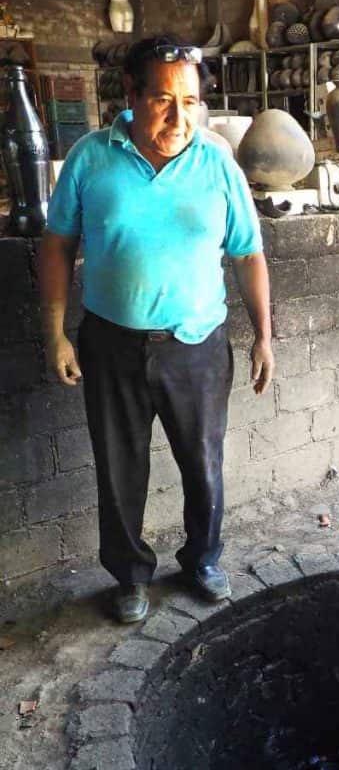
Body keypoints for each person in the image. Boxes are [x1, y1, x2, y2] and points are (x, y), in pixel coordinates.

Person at [39, 35, 274, 623]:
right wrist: (57, 332)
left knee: (204, 463)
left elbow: (247, 253)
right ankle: (130, 574)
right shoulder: (92, 157)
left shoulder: (218, 161)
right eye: (164, 100)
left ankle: (202, 558)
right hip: (111, 343)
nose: (179, 115)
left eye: (191, 101)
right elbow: (57, 245)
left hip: (196, 345)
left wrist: (265, 335)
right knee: (120, 468)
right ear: (131, 95)